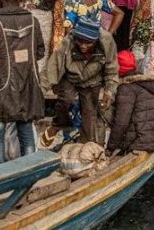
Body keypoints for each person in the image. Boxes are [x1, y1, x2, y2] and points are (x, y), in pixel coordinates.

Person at [0, 0, 46, 165]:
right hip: (27, 83)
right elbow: (40, 52)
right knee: (25, 127)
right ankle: (30, 171)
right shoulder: (32, 20)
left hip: (1, 86)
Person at [43, 17, 118, 146]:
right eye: (80, 42)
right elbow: (52, 69)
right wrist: (39, 92)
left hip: (93, 79)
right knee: (66, 100)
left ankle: (85, 146)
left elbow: (112, 67)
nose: (83, 46)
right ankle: (57, 125)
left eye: (88, 43)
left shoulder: (106, 41)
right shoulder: (67, 42)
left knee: (89, 113)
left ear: (95, 40)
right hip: (70, 76)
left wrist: (109, 91)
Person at [106, 51, 154, 156]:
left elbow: (121, 122)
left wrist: (110, 148)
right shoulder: (148, 83)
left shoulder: (126, 88)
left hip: (142, 142)